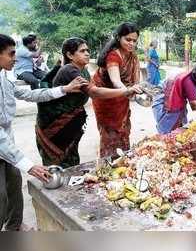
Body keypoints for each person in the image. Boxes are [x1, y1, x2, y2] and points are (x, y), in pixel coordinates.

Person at [0, 34, 87, 231]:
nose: (16, 58)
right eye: (11, 54)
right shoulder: (68, 69)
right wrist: (29, 166)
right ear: (69, 55)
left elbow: (30, 94)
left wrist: (64, 89)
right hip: (2, 143)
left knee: (14, 186)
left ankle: (14, 226)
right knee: (1, 196)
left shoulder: (4, 79)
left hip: (7, 140)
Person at [36, 37, 141, 168]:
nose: (87, 53)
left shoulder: (83, 70)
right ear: (69, 55)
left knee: (72, 160)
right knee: (60, 165)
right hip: (56, 126)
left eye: (87, 50)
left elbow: (95, 90)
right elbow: (94, 92)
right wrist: (125, 91)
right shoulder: (69, 70)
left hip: (69, 124)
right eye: (82, 51)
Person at [92, 22, 143, 157]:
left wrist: (140, 88)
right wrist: (128, 90)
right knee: (110, 132)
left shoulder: (132, 55)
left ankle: (123, 158)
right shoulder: (113, 55)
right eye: (128, 40)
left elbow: (137, 78)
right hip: (106, 98)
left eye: (134, 41)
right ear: (119, 38)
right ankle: (108, 161)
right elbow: (116, 81)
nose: (131, 43)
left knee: (123, 128)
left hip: (122, 96)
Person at [152, 63, 196, 134]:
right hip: (165, 96)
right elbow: (194, 104)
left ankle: (174, 134)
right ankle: (165, 136)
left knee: (181, 118)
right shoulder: (188, 81)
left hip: (176, 96)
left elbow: (194, 99)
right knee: (170, 120)